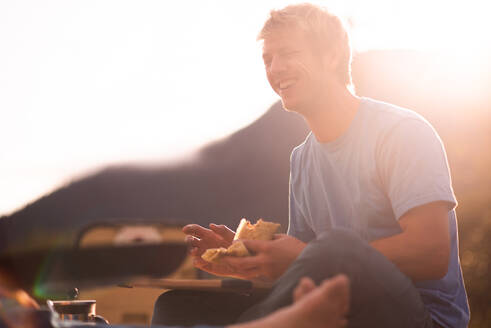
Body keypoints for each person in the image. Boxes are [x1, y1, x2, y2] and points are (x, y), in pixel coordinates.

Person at [153, 3, 469, 328]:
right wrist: (249, 256)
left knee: (337, 246)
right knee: (177, 307)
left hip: (422, 316)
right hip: (335, 305)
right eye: (268, 59)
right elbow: (302, 271)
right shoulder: (302, 158)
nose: (275, 69)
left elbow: (430, 253)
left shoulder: (400, 132)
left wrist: (307, 256)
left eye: (288, 53)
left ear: (331, 55)